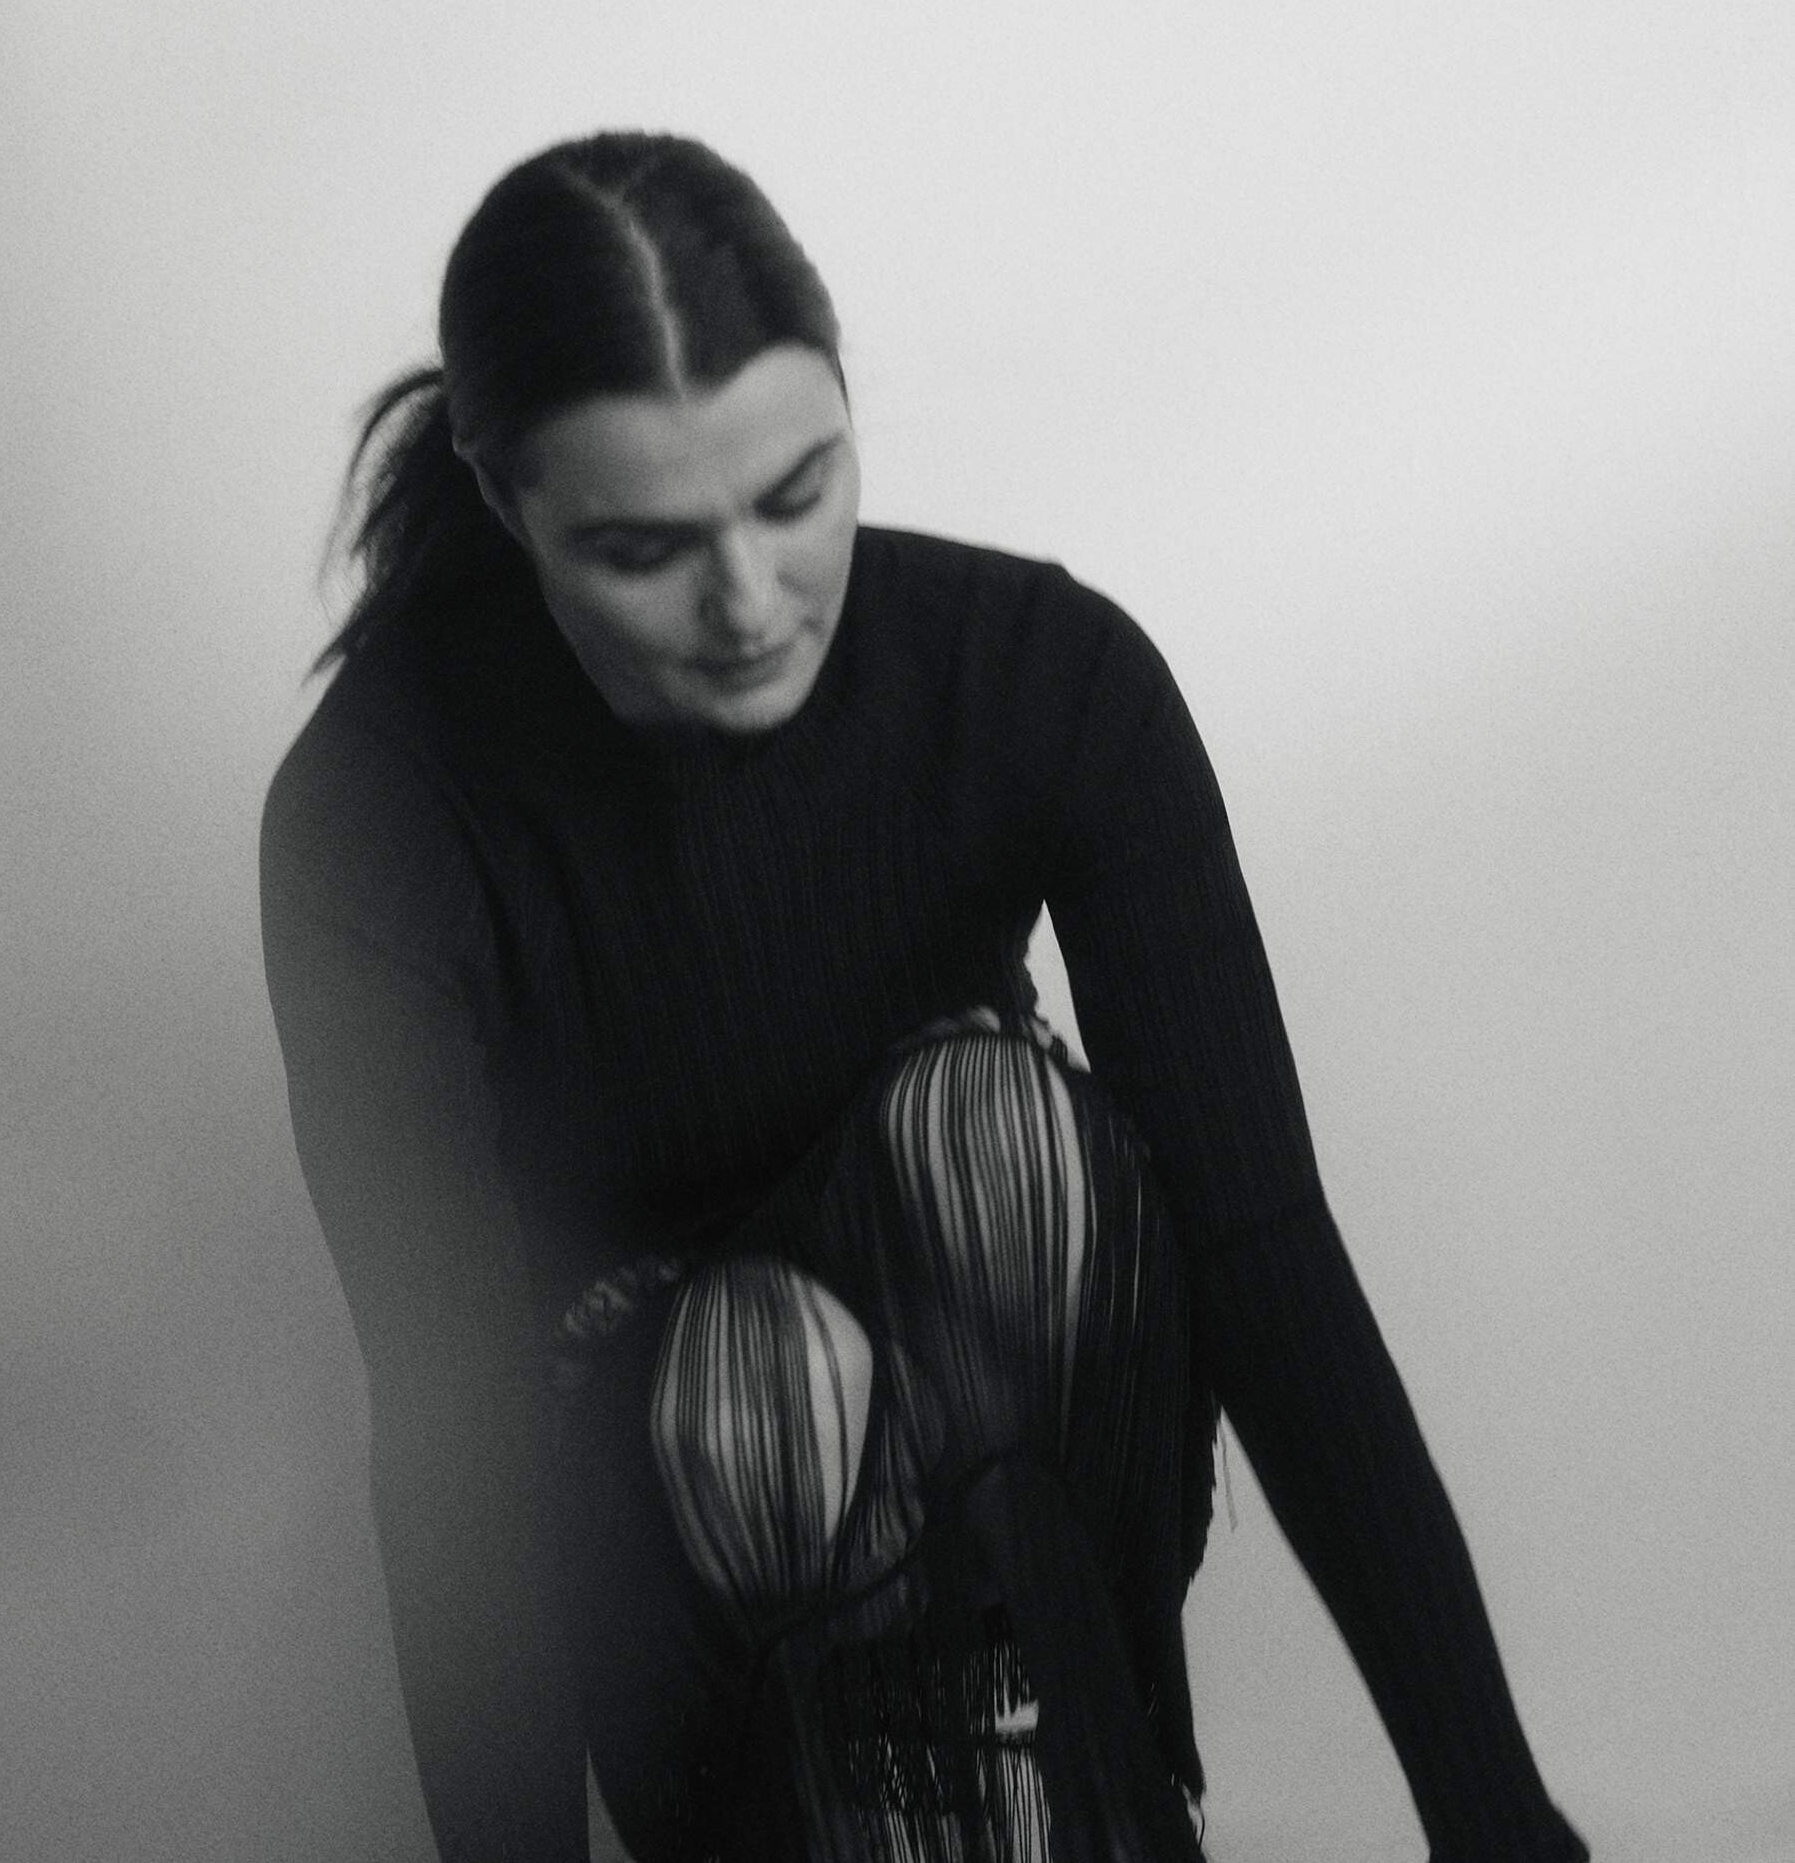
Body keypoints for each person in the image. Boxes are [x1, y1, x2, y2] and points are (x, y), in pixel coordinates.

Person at [258, 132, 1589, 1863]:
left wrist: (1502, 1826)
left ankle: (1054, 1774)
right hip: (685, 1530)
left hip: (1015, 1450)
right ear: (510, 505)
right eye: (645, 548)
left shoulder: (1039, 676)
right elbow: (458, 1440)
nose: (748, 602)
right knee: (766, 1363)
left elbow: (1262, 1247)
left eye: (796, 493)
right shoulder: (377, 813)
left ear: (844, 409)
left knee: (988, 1127)